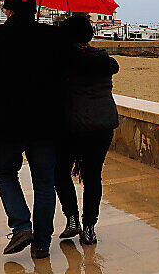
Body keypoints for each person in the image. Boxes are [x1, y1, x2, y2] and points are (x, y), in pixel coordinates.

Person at [0, 0, 68, 260]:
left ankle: (20, 226)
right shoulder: (53, 36)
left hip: (8, 122)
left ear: (9, 10)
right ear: (33, 10)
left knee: (5, 173)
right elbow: (64, 74)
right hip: (45, 123)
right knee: (44, 182)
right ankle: (41, 244)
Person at [54, 14, 120, 245]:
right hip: (102, 127)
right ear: (89, 35)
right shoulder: (104, 60)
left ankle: (72, 218)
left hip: (71, 128)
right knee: (93, 176)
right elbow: (113, 66)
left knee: (60, 173)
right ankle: (89, 227)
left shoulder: (62, 61)